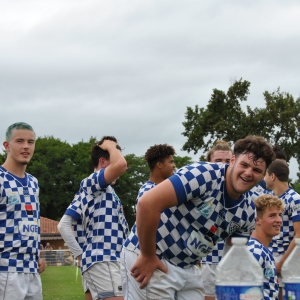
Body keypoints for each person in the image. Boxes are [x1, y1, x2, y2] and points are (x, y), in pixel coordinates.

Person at [121, 135, 275, 300]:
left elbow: (234, 257)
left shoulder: (248, 212)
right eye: (244, 165)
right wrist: (148, 255)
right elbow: (147, 204)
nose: (248, 173)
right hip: (154, 255)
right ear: (232, 161)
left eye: (256, 170)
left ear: (263, 174)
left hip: (188, 267)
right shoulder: (203, 175)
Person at [58, 136, 128, 300]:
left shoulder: (93, 190)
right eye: (114, 156)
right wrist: (111, 146)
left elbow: (63, 224)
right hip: (105, 259)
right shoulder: (93, 182)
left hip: (100, 261)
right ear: (103, 162)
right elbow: (121, 165)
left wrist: (82, 255)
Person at [0, 122, 46, 300]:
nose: (26, 146)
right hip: (6, 269)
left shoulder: (33, 182)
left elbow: (29, 221)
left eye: (30, 142)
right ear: (7, 145)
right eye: (19, 141)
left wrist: (37, 254)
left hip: (32, 269)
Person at [200, 140, 233, 300]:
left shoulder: (242, 190)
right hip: (209, 260)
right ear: (209, 163)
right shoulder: (200, 188)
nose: (223, 165)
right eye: (218, 161)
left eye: (228, 161)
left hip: (233, 263)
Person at [265, 160, 300, 300]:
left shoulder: (295, 199)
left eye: (265, 175)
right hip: (273, 259)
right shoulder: (272, 198)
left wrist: (283, 262)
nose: (264, 179)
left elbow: (299, 235)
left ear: (272, 176)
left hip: (288, 260)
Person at [247, 194, 284, 300]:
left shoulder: (262, 249)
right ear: (257, 220)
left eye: (279, 214)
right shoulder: (255, 251)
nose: (279, 220)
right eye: (272, 215)